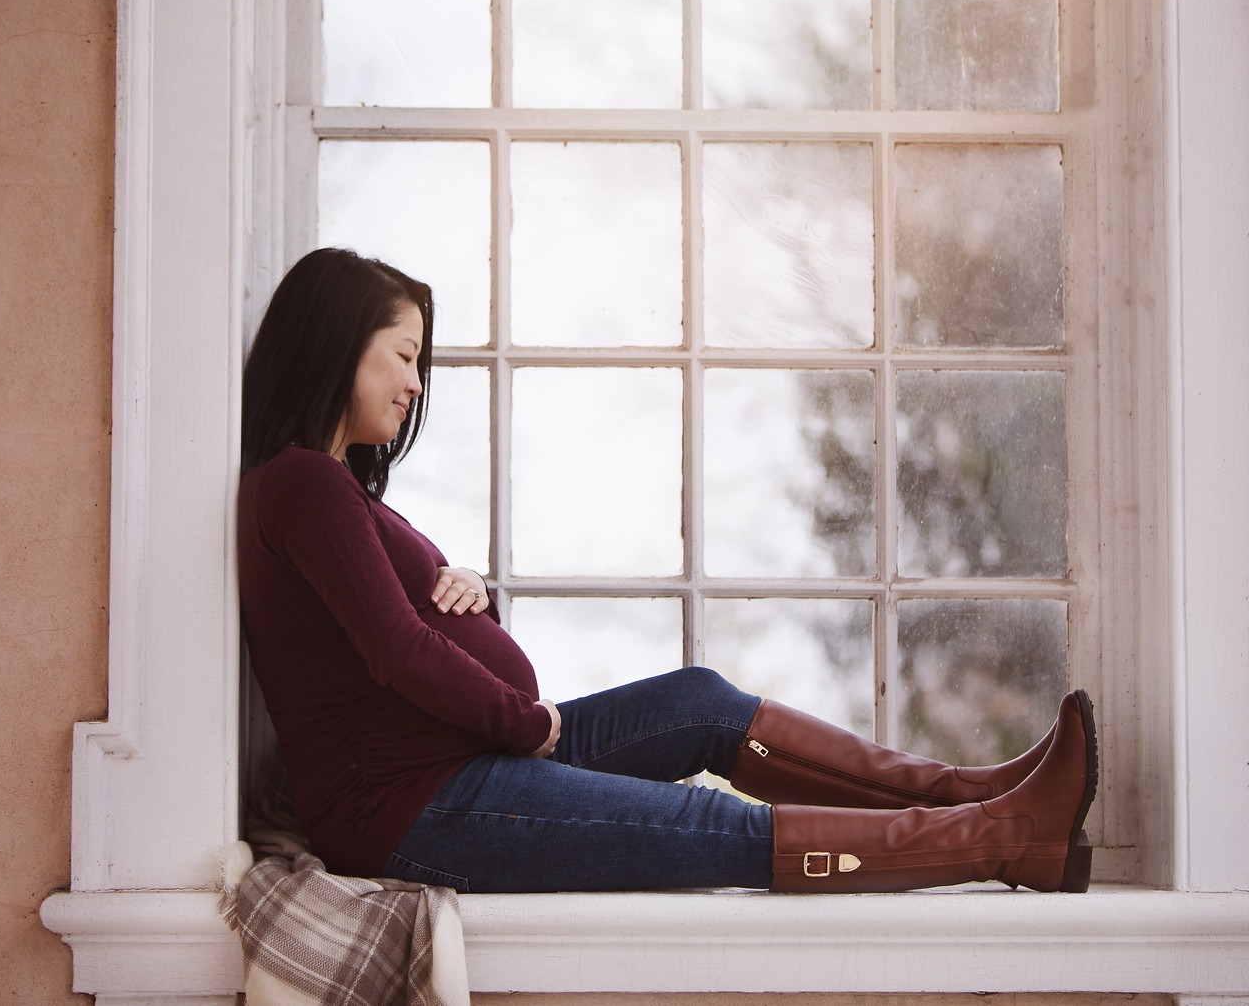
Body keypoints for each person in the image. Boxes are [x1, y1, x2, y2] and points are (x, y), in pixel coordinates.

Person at [237, 247, 1097, 894]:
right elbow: (394, 650)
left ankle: (970, 793)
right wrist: (520, 720)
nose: (416, 385)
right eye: (403, 354)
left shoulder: (331, 489)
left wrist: (465, 592)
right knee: (706, 822)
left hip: (458, 762)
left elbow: (389, 633)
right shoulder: (302, 482)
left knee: (698, 701)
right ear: (336, 344)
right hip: (415, 805)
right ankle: (1007, 838)